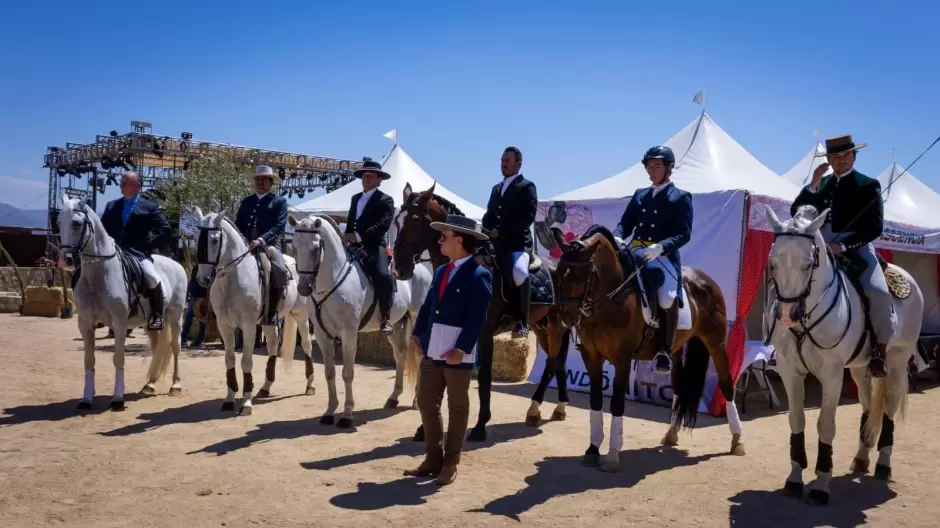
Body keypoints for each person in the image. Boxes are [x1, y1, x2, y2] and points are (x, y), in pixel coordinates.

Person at [790, 134, 891, 378]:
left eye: (846, 155)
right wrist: (813, 184)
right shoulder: (821, 184)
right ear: (828, 160)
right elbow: (798, 213)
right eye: (835, 156)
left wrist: (843, 246)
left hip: (855, 247)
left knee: (879, 292)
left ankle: (879, 351)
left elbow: (875, 228)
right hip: (821, 245)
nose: (841, 160)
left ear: (854, 156)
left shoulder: (869, 185)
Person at [404, 214, 492, 485]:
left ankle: (451, 462)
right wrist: (418, 333)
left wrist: (462, 348)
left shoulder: (479, 274)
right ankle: (433, 458)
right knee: (427, 402)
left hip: (457, 351)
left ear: (461, 240)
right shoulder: (442, 271)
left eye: (446, 236)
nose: (440, 240)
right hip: (432, 346)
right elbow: (430, 305)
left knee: (457, 406)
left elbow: (477, 318)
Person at [616, 146, 693, 374]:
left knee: (668, 297)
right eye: (649, 166)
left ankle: (664, 351)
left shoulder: (680, 197)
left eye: (657, 166)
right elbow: (625, 223)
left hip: (662, 256)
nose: (652, 170)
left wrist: (661, 247)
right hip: (635, 251)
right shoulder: (640, 195)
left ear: (669, 168)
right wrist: (618, 236)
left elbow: (684, 234)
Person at [99, 171, 172, 330]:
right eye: (121, 182)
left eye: (125, 183)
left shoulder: (149, 207)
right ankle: (99, 314)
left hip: (138, 254)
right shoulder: (111, 206)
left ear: (138, 185)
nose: (121, 185)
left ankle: (157, 315)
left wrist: (148, 246)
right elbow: (102, 231)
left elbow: (165, 229)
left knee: (152, 277)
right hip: (114, 253)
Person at [481, 146, 538, 338]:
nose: (503, 164)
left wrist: (502, 231)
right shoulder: (496, 188)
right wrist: (484, 228)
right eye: (502, 160)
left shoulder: (527, 187)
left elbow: (527, 218)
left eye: (507, 160)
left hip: (517, 244)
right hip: (496, 243)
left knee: (519, 271)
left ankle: (522, 320)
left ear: (518, 164)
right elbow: (489, 214)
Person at [344, 158, 396, 335]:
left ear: (379, 179)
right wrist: (348, 236)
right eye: (364, 176)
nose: (366, 179)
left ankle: (385, 317)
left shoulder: (386, 200)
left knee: (382, 275)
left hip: (375, 246)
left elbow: (383, 225)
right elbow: (351, 222)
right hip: (352, 245)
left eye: (370, 176)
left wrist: (358, 236)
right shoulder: (355, 198)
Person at [235, 165, 289, 325]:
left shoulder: (279, 201)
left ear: (270, 182)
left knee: (279, 269)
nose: (260, 182)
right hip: (246, 245)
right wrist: (242, 241)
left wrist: (261, 240)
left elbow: (279, 226)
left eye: (263, 179)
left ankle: (272, 311)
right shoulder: (246, 202)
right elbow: (238, 224)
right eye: (257, 179)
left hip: (269, 245)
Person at [181, 263, 207, 347]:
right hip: (193, 296)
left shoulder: (207, 268)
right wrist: (188, 293)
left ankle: (199, 340)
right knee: (189, 318)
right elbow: (192, 280)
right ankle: (183, 339)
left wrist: (207, 299)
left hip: (201, 297)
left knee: (201, 320)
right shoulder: (196, 267)